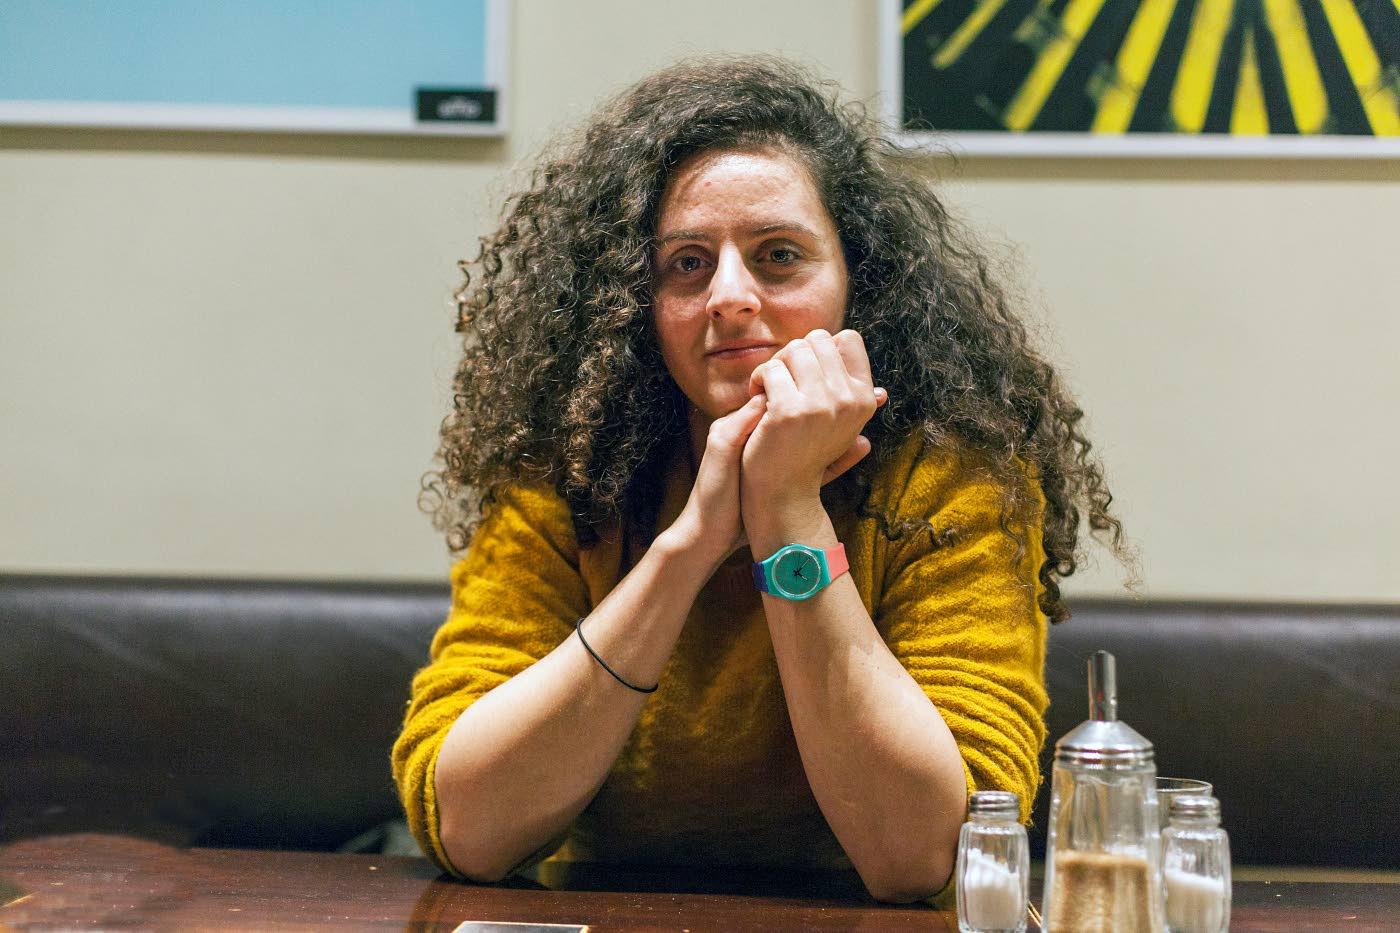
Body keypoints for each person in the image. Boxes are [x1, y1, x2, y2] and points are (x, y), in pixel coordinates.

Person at [393, 55, 1129, 904]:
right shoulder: (569, 470)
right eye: (686, 264)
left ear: (858, 282)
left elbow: (930, 853)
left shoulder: (952, 477)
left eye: (779, 256)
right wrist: (690, 545)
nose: (730, 295)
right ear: (637, 303)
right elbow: (470, 827)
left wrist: (786, 510)